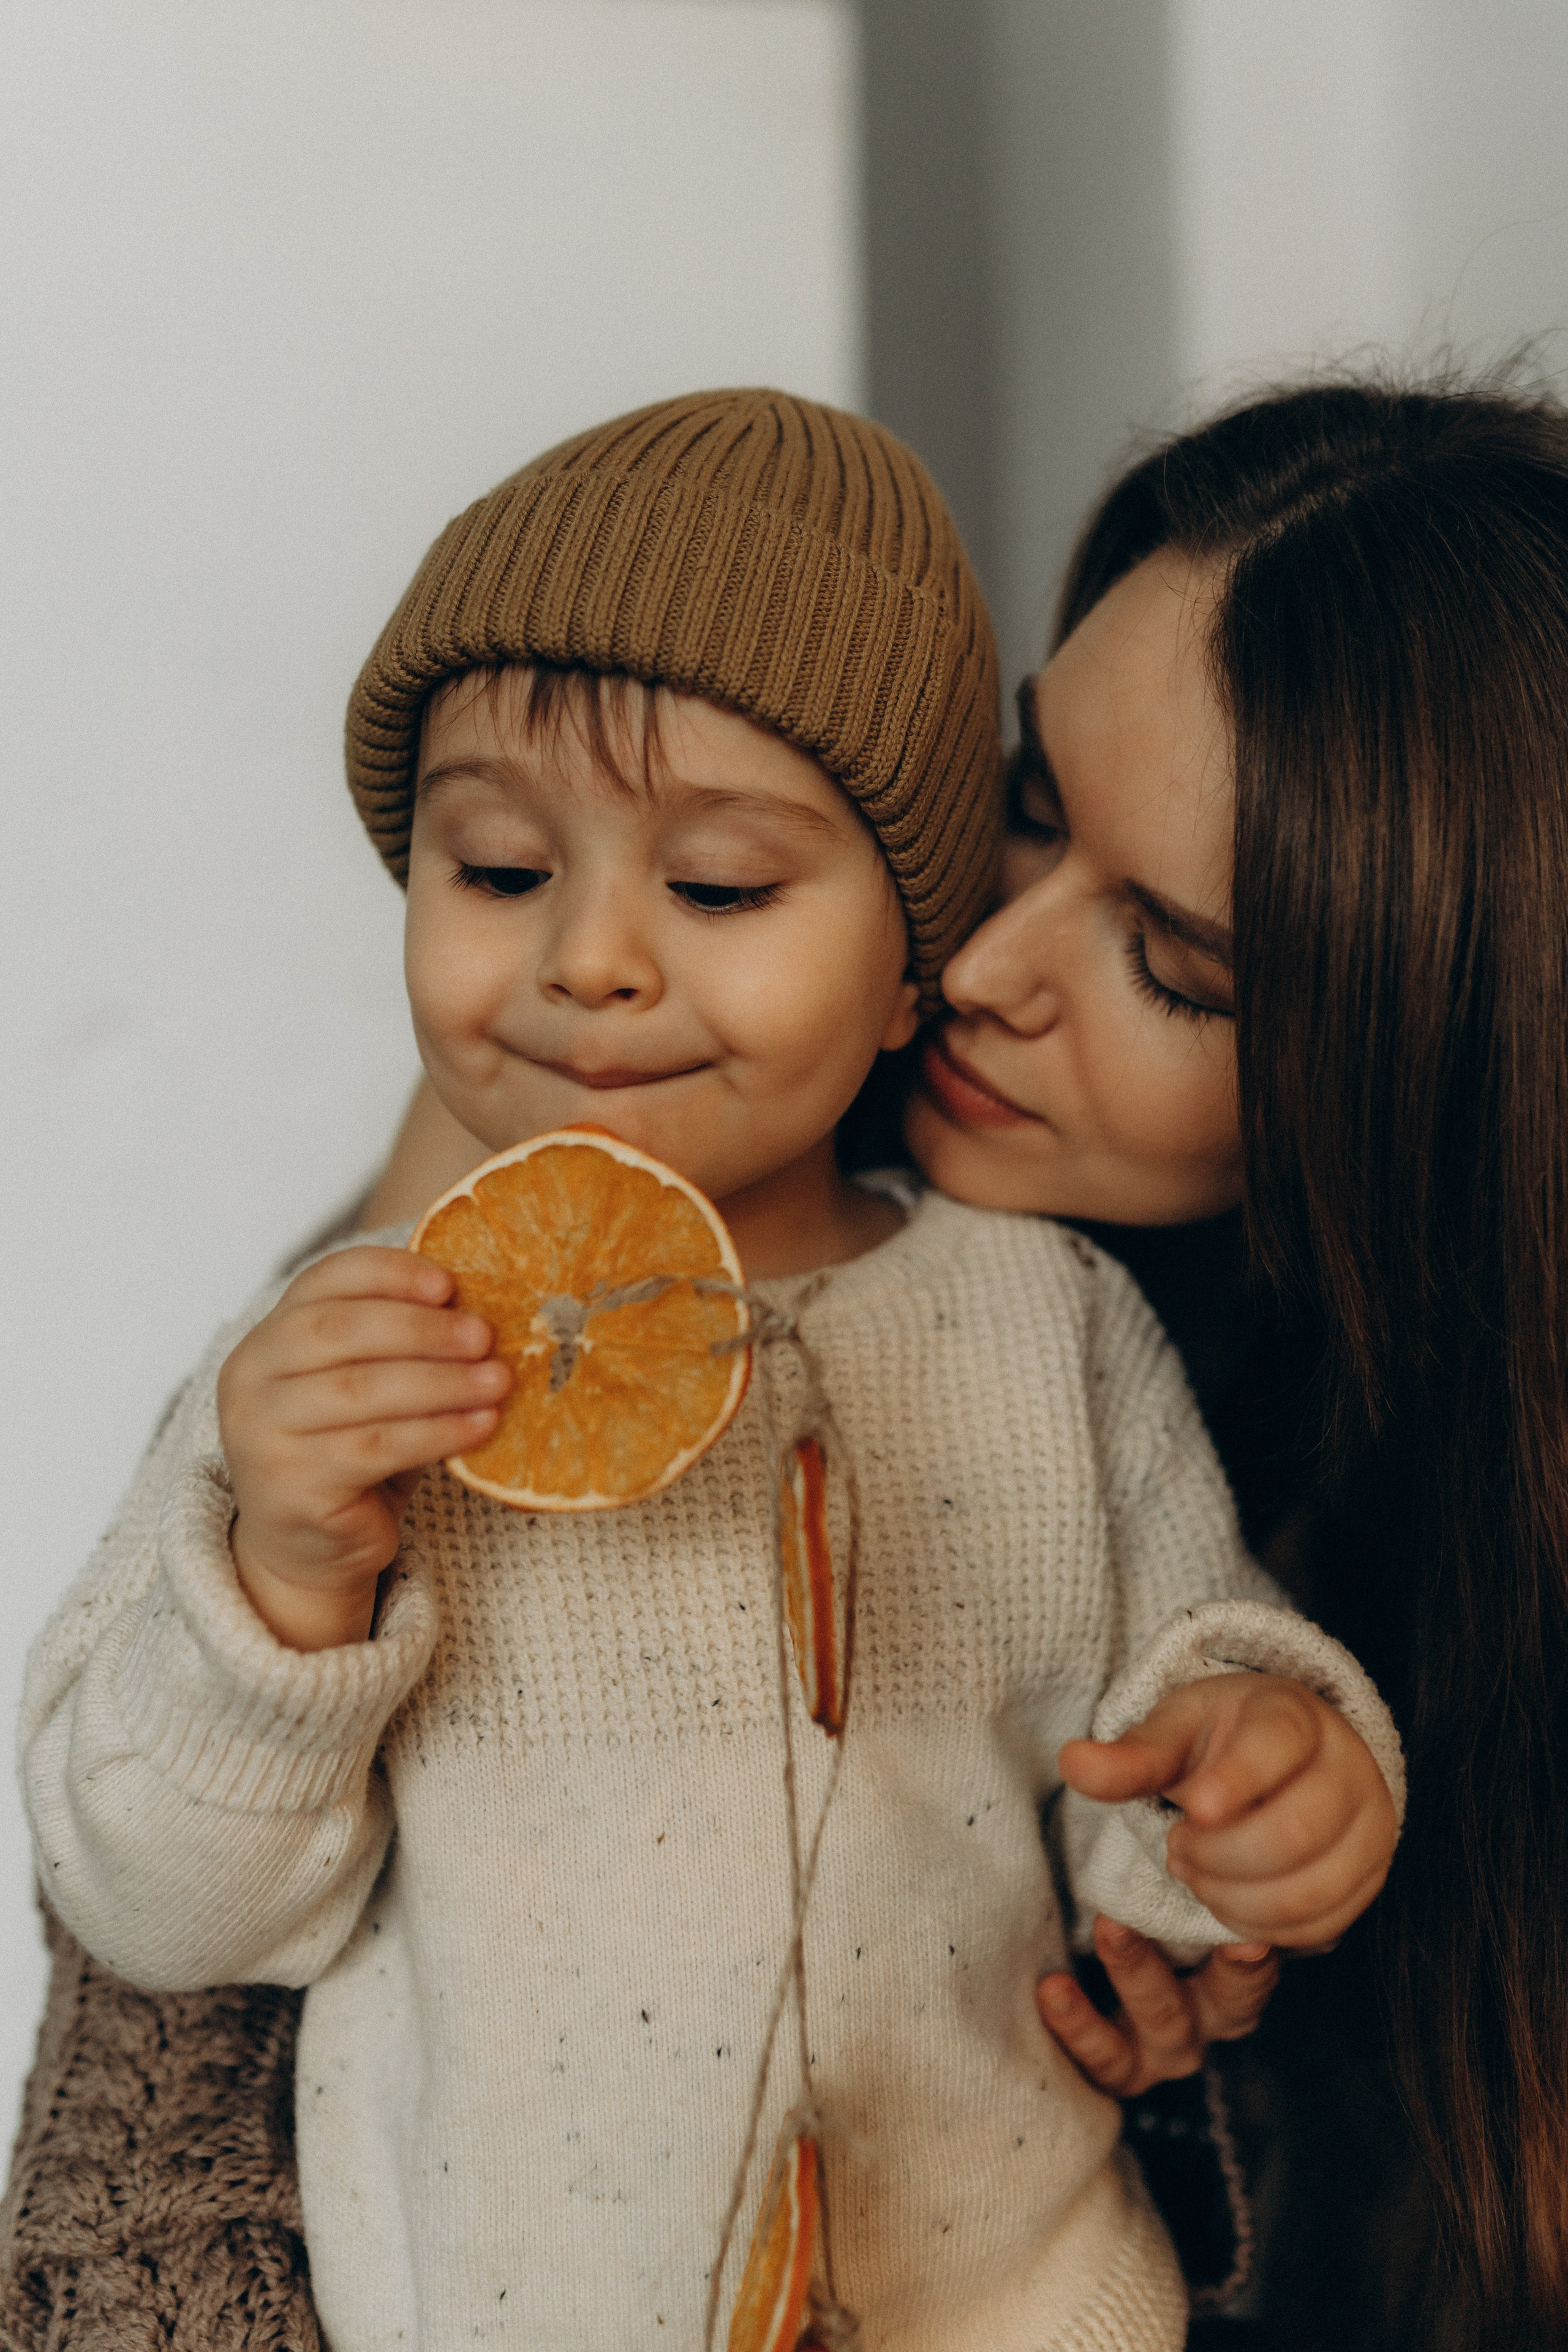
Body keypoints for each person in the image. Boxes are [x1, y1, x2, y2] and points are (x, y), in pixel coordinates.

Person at [15, 389, 1400, 2352]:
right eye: (496, 870)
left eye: (723, 890)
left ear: (920, 955)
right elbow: (160, 1920)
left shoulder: (1052, 1326)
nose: (589, 958)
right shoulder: (331, 1372)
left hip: (1022, 2289)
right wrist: (278, 1590)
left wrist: (1260, 1784)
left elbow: (1164, 1757)